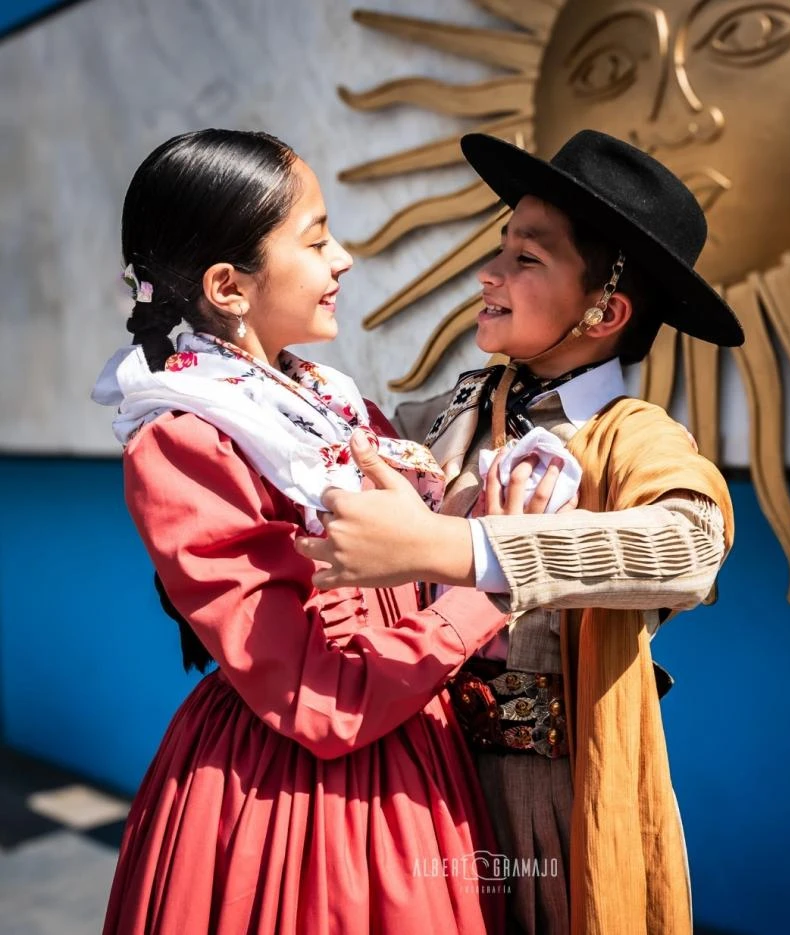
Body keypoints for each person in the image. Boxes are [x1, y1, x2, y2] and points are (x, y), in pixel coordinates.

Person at [297, 129, 744, 935]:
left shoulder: (633, 436)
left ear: (605, 309)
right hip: (419, 776)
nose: (488, 275)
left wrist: (462, 550)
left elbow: (689, 548)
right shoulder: (436, 419)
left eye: (526, 259)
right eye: (499, 249)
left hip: (548, 800)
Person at [91, 128, 526, 935]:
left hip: (409, 742)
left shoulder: (324, 399)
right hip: (298, 798)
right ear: (229, 285)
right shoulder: (187, 436)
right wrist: (487, 583)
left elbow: (403, 572)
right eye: (318, 237)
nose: (345, 258)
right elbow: (316, 701)